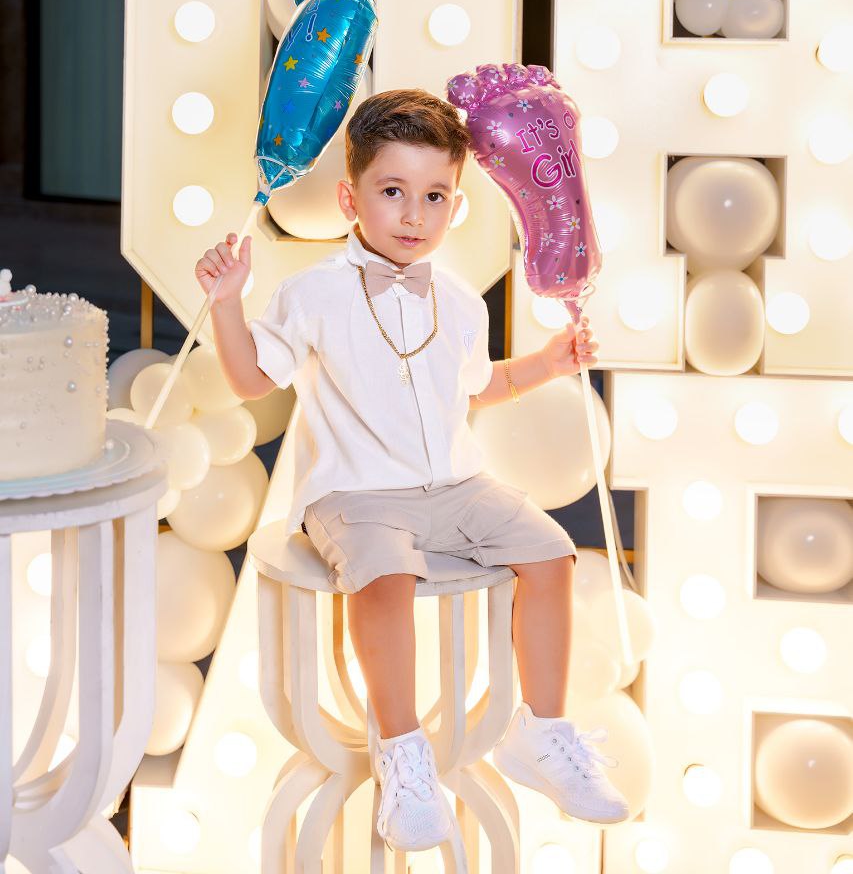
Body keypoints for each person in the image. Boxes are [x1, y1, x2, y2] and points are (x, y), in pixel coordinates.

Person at [195, 88, 629, 853]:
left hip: (454, 484)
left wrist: (547, 362)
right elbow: (251, 380)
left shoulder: (459, 302)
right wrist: (227, 304)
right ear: (350, 198)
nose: (412, 214)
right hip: (355, 493)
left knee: (550, 553)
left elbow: (474, 389)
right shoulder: (312, 294)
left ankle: (541, 732)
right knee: (385, 575)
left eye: (433, 196)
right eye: (391, 191)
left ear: (454, 207)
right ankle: (402, 752)